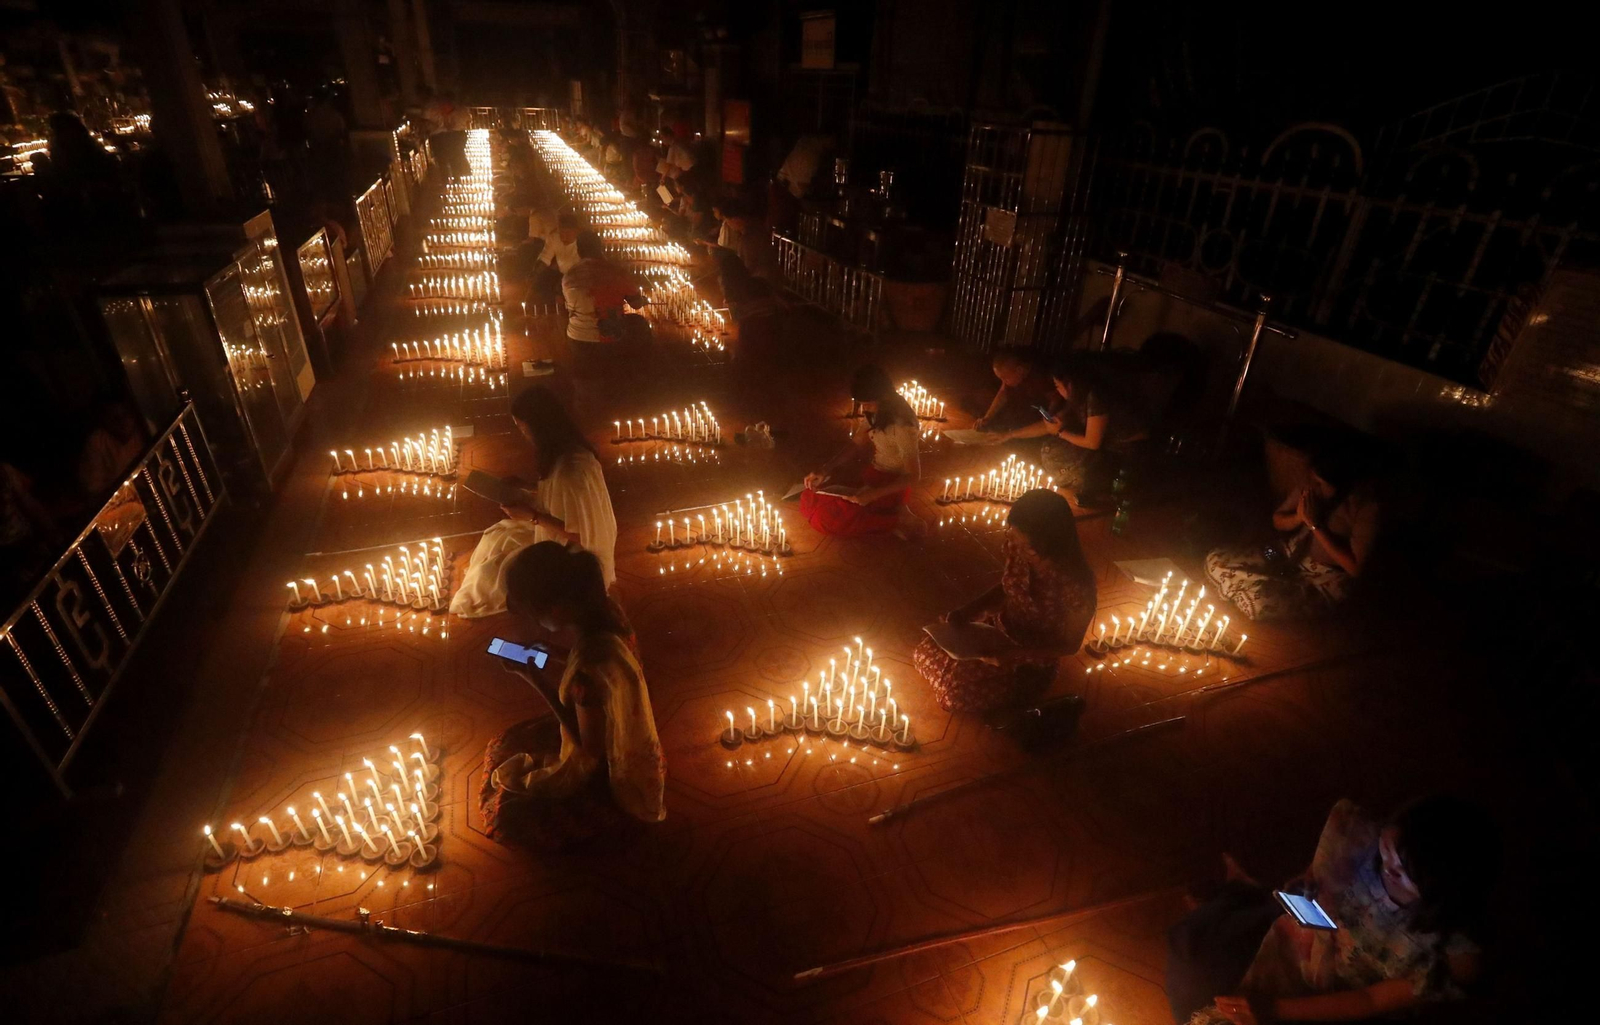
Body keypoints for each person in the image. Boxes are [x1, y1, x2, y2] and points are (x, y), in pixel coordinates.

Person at [1168, 796, 1496, 1025]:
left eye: (1402, 871)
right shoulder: (1364, 843)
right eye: (1387, 852)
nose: (1387, 868)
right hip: (1302, 936)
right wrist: (1306, 882)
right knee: (1193, 944)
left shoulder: (1447, 956)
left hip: (1338, 996)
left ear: (1445, 888)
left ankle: (1239, 893)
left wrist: (1273, 1011)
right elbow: (1315, 874)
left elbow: (1369, 1001)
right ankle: (1239, 891)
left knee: (1199, 991)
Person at [478, 542, 666, 849]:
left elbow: (589, 748)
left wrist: (535, 679)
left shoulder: (586, 675)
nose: (536, 622)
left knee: (510, 811)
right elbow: (601, 661)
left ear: (558, 609)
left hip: (606, 767)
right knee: (517, 743)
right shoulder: (608, 612)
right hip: (629, 729)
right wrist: (553, 651)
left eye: (535, 614)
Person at [911, 489, 1095, 712]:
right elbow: (1008, 586)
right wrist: (969, 610)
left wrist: (1013, 655)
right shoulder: (1017, 548)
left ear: (1053, 542)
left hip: (1029, 660)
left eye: (1028, 547)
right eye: (1014, 537)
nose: (1018, 549)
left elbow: (1070, 645)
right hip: (995, 634)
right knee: (924, 650)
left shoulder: (1077, 586)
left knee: (954, 696)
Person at [449, 387, 617, 617]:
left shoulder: (571, 469)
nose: (523, 434)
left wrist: (531, 516)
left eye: (523, 428)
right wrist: (525, 487)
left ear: (541, 426)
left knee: (494, 576)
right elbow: (562, 497)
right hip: (557, 535)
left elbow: (580, 535)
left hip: (574, 555)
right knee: (498, 537)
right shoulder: (568, 449)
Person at [1204, 447, 1380, 621]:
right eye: (1314, 479)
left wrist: (1315, 525)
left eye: (1321, 483)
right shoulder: (1311, 487)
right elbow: (1278, 520)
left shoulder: (1365, 506)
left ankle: (1253, 587)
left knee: (1260, 601)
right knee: (1215, 560)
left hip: (1321, 579)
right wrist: (1299, 517)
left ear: (1341, 485)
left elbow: (1355, 568)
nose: (1314, 486)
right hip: (1283, 553)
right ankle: (1254, 583)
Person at [993, 355, 1149, 499]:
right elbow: (1049, 426)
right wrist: (1010, 435)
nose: (1059, 392)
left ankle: (1100, 484)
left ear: (1070, 383)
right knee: (1051, 448)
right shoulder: (1078, 399)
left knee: (1057, 454)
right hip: (1104, 448)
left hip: (1124, 453)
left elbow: (1092, 443)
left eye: (1058, 386)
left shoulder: (1096, 397)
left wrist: (1060, 431)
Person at [799, 366, 925, 538]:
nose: (864, 407)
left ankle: (898, 519)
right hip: (873, 476)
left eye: (868, 402)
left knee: (827, 519)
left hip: (891, 486)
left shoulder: (903, 426)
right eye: (861, 403)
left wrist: (872, 495)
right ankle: (886, 515)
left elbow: (913, 476)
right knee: (809, 496)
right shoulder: (875, 412)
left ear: (885, 397)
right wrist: (825, 469)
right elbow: (856, 444)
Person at [561, 231, 646, 350]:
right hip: (611, 338)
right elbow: (636, 304)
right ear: (600, 248)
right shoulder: (616, 272)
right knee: (640, 323)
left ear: (579, 251)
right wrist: (642, 300)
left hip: (577, 337)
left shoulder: (569, 276)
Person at [973, 347, 1060, 434]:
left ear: (1019, 370)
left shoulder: (1040, 377)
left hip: (1038, 422)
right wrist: (987, 418)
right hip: (1018, 422)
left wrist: (1048, 418)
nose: (1004, 382)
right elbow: (1002, 393)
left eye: (1005, 378)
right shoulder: (1013, 377)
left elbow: (1055, 399)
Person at [77, 399, 146, 497]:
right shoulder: (98, 441)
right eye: (115, 418)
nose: (122, 423)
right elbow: (94, 488)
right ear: (105, 421)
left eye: (125, 415)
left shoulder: (145, 429)